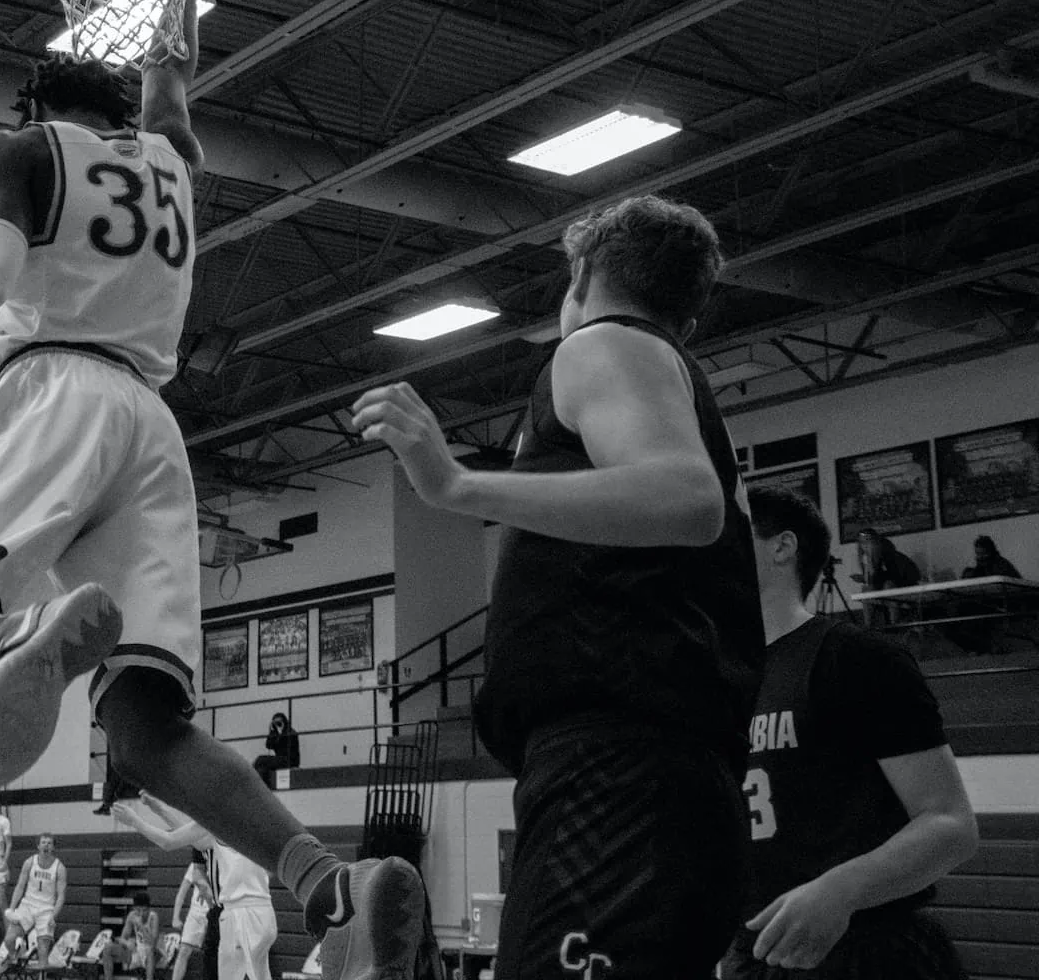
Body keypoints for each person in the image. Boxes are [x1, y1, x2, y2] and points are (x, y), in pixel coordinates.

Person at [0, 0, 422, 980]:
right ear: (119, 114)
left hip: (52, 393)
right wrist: (173, 38)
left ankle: (13, 630)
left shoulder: (21, 154)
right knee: (149, 731)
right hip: (152, 429)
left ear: (32, 110)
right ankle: (330, 885)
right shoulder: (171, 166)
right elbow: (174, 106)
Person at [352, 194, 764, 979]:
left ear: (582, 276)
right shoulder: (680, 388)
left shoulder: (604, 344)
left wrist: (456, 487)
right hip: (667, 774)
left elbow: (685, 499)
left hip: (618, 772)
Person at [720, 486, 977, 978]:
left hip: (869, 950)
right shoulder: (717, 679)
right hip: (753, 953)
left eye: (726, 533)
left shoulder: (855, 657)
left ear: (782, 546)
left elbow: (951, 825)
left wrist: (840, 890)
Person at [116, 795, 274, 980]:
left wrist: (134, 820)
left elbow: (171, 840)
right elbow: (185, 833)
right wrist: (158, 807)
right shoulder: (248, 825)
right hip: (254, 910)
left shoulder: (220, 826)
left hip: (241, 912)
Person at [3, 834, 67, 969]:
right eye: (43, 842)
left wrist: (53, 916)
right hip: (28, 905)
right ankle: (14, 954)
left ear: (53, 847)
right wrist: (12, 909)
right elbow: (20, 886)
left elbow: (61, 896)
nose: (46, 845)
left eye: (49, 843)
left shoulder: (59, 867)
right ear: (38, 846)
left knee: (43, 959)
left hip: (46, 908)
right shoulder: (29, 862)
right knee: (9, 939)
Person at [172, 853, 214, 980]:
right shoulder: (195, 866)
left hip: (215, 912)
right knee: (183, 950)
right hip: (196, 913)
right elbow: (182, 892)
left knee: (216, 954)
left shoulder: (221, 863)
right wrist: (175, 917)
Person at [107, 890, 161, 980]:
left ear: (149, 909)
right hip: (137, 951)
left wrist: (141, 926)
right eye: (138, 910)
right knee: (108, 948)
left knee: (150, 952)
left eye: (144, 910)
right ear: (134, 908)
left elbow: (153, 943)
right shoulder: (132, 915)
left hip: (153, 953)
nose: (141, 913)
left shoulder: (153, 917)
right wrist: (127, 943)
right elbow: (123, 938)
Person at [251, 713, 300, 787]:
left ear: (284, 722)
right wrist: (272, 732)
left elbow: (288, 747)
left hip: (290, 760)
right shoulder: (275, 733)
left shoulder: (291, 732)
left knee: (260, 759)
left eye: (279, 722)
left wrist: (281, 733)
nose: (278, 724)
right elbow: (268, 745)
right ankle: (263, 788)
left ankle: (250, 773)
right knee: (262, 769)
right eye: (275, 722)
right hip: (280, 760)